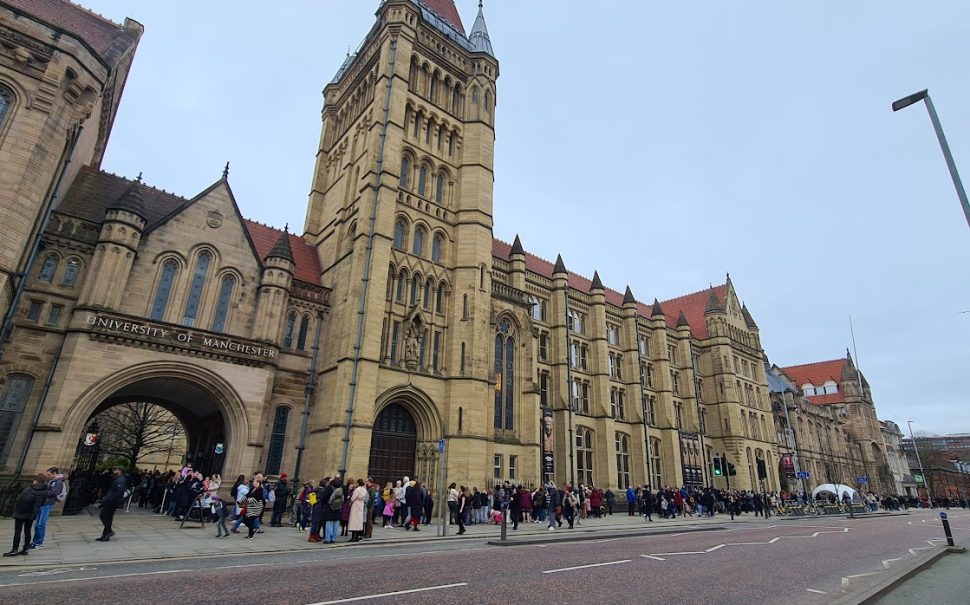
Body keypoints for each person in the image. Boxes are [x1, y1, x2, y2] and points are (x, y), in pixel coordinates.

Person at [5, 474, 48, 556]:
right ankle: (25, 549)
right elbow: (42, 503)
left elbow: (20, 499)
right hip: (32, 513)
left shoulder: (29, 489)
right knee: (27, 531)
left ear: (36, 480)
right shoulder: (45, 491)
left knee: (18, 531)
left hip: (21, 512)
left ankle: (14, 549)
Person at [29, 467, 64, 550]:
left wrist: (45, 489)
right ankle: (35, 542)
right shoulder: (50, 481)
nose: (48, 476)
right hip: (42, 503)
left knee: (41, 524)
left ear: (54, 473)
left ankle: (39, 543)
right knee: (37, 524)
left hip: (47, 504)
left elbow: (55, 492)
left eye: (49, 474)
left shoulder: (58, 482)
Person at [96, 467, 129, 542]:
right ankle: (105, 535)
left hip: (112, 501)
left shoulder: (121, 479)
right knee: (108, 517)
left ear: (120, 471)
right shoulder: (117, 478)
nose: (114, 471)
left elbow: (118, 492)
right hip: (111, 500)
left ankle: (109, 531)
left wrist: (108, 499)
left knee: (103, 516)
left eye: (116, 470)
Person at [348, 478, 367, 542]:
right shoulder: (364, 490)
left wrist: (350, 500)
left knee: (354, 520)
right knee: (359, 520)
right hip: (361, 503)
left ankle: (353, 537)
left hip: (356, 504)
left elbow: (353, 498)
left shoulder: (357, 489)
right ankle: (357, 536)